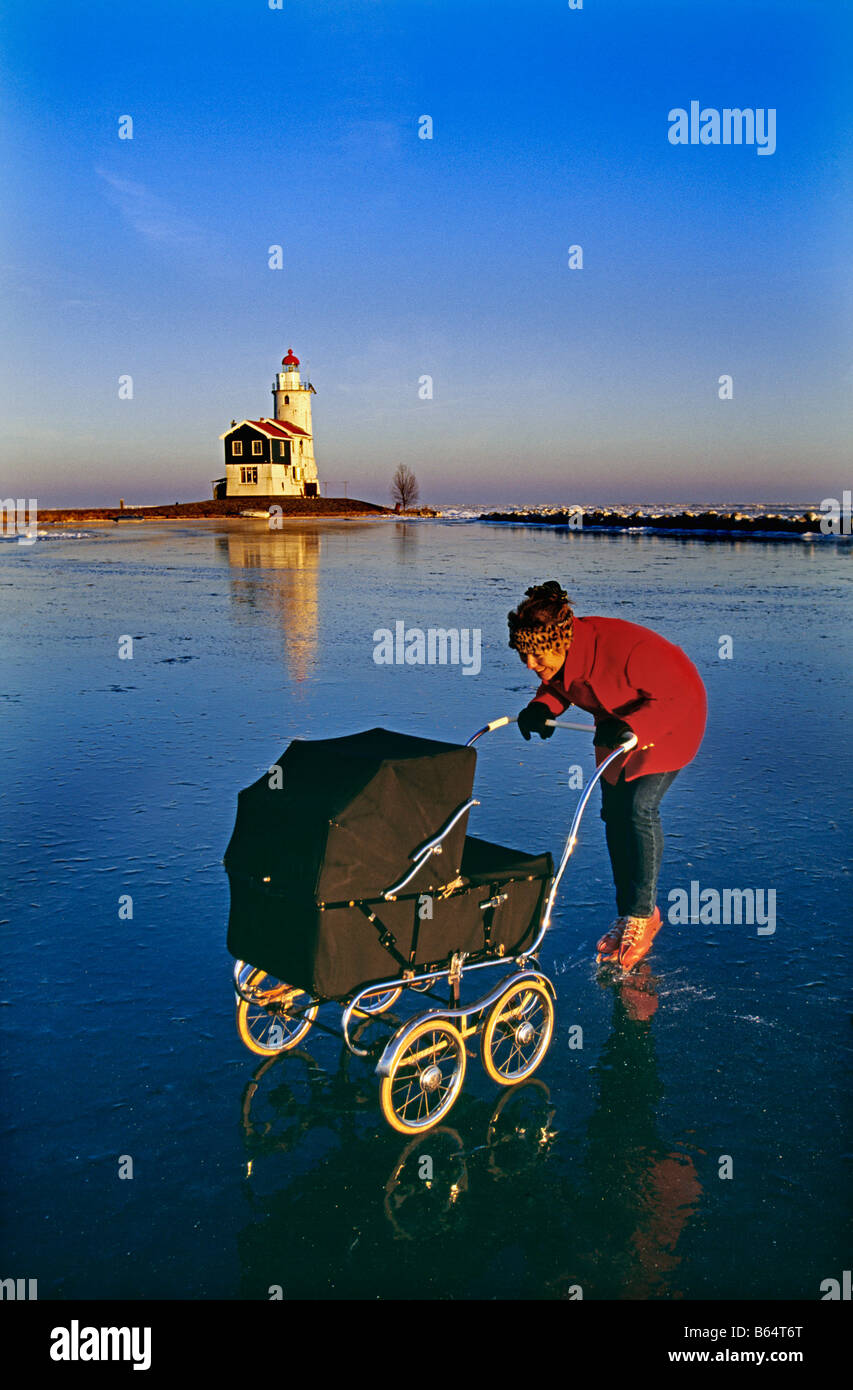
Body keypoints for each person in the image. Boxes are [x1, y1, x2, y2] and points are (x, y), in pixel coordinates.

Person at [508, 581, 707, 972]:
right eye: (523, 654)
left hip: (669, 722)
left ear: (560, 641)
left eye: (535, 653)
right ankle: (627, 914)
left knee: (638, 808)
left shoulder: (627, 650)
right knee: (613, 814)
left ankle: (642, 916)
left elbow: (678, 696)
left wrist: (636, 727)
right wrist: (542, 706)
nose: (530, 664)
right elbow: (560, 687)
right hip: (615, 727)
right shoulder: (563, 656)